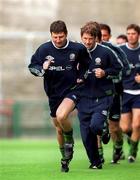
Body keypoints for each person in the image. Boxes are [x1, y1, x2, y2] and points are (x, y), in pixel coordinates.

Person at [28, 20, 90, 172]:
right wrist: (41, 68)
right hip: (53, 93)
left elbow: (87, 64)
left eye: (61, 37)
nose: (58, 40)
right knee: (59, 128)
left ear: (66, 34)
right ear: (51, 35)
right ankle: (65, 158)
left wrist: (82, 76)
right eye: (55, 37)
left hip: (72, 89)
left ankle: (70, 141)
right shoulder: (44, 49)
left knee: (61, 116)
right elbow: (32, 66)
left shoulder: (77, 48)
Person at [76, 22, 122, 169]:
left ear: (96, 38)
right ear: (81, 37)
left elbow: (118, 68)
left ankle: (103, 128)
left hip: (103, 97)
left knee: (95, 126)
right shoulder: (77, 52)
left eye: (90, 38)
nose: (87, 42)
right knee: (85, 136)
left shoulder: (105, 52)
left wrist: (105, 73)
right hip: (83, 98)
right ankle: (95, 162)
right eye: (85, 38)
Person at [99, 23, 130, 163]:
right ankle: (98, 155)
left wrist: (109, 75)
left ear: (109, 36)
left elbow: (126, 69)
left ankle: (118, 146)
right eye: (98, 35)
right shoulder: (87, 50)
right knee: (95, 124)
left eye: (104, 36)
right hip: (95, 93)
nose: (101, 38)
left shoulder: (114, 50)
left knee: (114, 126)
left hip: (114, 92)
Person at [119, 23, 140, 163]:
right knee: (125, 127)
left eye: (133, 33)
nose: (131, 36)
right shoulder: (120, 50)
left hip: (139, 93)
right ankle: (134, 139)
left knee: (137, 125)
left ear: (138, 35)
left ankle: (133, 152)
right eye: (129, 33)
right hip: (125, 92)